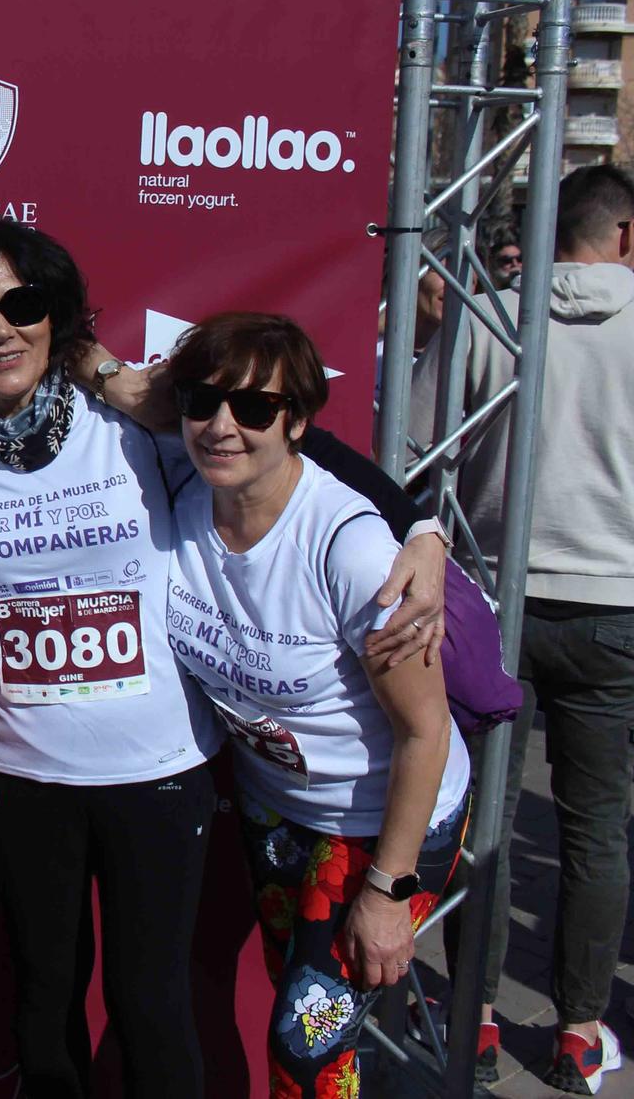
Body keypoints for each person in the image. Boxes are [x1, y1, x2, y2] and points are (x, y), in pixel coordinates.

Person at [0, 220, 442, 1099]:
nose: (0, 328)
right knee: (43, 1009)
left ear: (60, 321)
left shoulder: (140, 416)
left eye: (25, 304)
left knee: (151, 1005)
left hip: (157, 772)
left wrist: (416, 523)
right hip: (21, 774)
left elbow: (294, 447)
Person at [165, 312, 470, 1099]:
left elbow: (426, 729)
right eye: (203, 402)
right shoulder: (179, 488)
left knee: (305, 1049)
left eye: (256, 409)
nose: (223, 427)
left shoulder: (353, 549)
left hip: (381, 820)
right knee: (301, 1010)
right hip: (277, 808)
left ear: (296, 420)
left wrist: (389, 889)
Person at [414, 164, 634, 1091]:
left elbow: (417, 439)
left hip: (496, 605)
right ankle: (577, 1030)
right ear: (629, 237)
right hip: (613, 607)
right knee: (598, 831)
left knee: (486, 822)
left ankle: (475, 1017)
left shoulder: (495, 316)